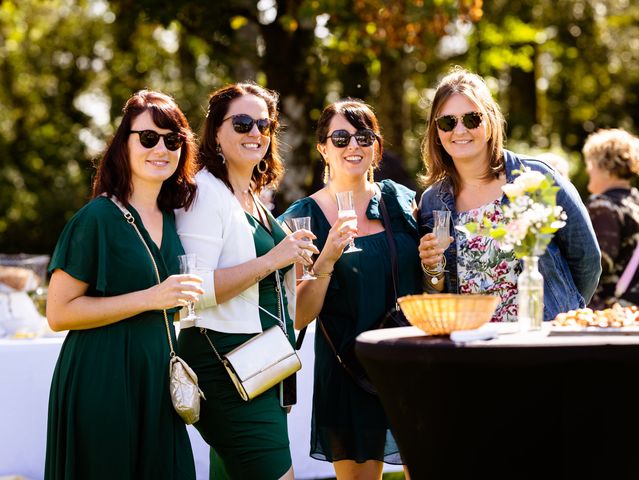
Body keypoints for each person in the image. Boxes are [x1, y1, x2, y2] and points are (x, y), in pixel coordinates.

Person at [45, 90, 202, 479]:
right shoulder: (96, 218)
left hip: (158, 383)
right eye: (148, 138)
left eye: (173, 140)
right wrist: (149, 299)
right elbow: (58, 312)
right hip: (104, 380)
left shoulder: (173, 217)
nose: (161, 148)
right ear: (124, 144)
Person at [174, 82, 316, 480]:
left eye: (264, 124)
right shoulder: (204, 192)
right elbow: (192, 291)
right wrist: (273, 258)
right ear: (216, 131)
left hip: (262, 362)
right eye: (242, 123)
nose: (255, 132)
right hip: (224, 364)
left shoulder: (251, 194)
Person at [279, 99, 425, 480]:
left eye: (363, 136)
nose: (353, 146)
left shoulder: (402, 201)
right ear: (322, 149)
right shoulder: (300, 220)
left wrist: (435, 264)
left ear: (376, 146)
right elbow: (299, 315)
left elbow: (430, 279)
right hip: (349, 372)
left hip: (411, 364)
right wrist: (325, 260)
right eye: (340, 138)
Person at [417, 67, 601, 321]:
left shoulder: (536, 178)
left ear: (490, 122)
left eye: (472, 119)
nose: (459, 131)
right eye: (448, 122)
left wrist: (562, 310)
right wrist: (431, 268)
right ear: (436, 132)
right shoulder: (432, 201)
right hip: (473, 349)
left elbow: (588, 260)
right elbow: (435, 292)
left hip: (542, 344)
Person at [582, 128, 639, 309]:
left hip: (608, 311)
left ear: (605, 166)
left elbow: (596, 265)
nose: (587, 169)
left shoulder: (603, 206)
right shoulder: (635, 201)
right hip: (632, 307)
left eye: (590, 163)